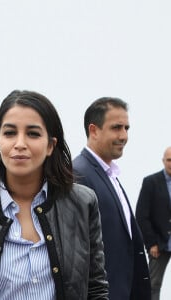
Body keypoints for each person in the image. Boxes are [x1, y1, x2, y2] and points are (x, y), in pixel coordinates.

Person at [0, 90, 109, 300]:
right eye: (10, 133)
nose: (20, 143)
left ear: (50, 145)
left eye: (33, 133)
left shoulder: (83, 204)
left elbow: (95, 290)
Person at [72, 97, 151, 300]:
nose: (124, 135)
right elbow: (77, 252)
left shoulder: (109, 175)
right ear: (94, 130)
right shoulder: (79, 174)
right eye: (116, 127)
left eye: (127, 128)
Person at [135, 146, 171, 300]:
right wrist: (151, 243)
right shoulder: (151, 182)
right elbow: (141, 215)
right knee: (152, 285)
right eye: (169, 160)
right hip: (159, 244)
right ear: (163, 160)